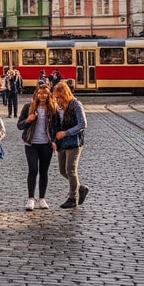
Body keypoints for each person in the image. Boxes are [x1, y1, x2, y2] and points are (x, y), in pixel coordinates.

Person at [51, 81, 89, 209]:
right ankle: (81, 188)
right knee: (62, 171)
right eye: (56, 97)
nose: (57, 99)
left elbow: (82, 124)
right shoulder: (58, 106)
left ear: (65, 94)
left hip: (74, 141)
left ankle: (72, 198)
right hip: (62, 142)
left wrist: (66, 133)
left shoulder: (75, 104)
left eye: (59, 96)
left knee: (70, 170)